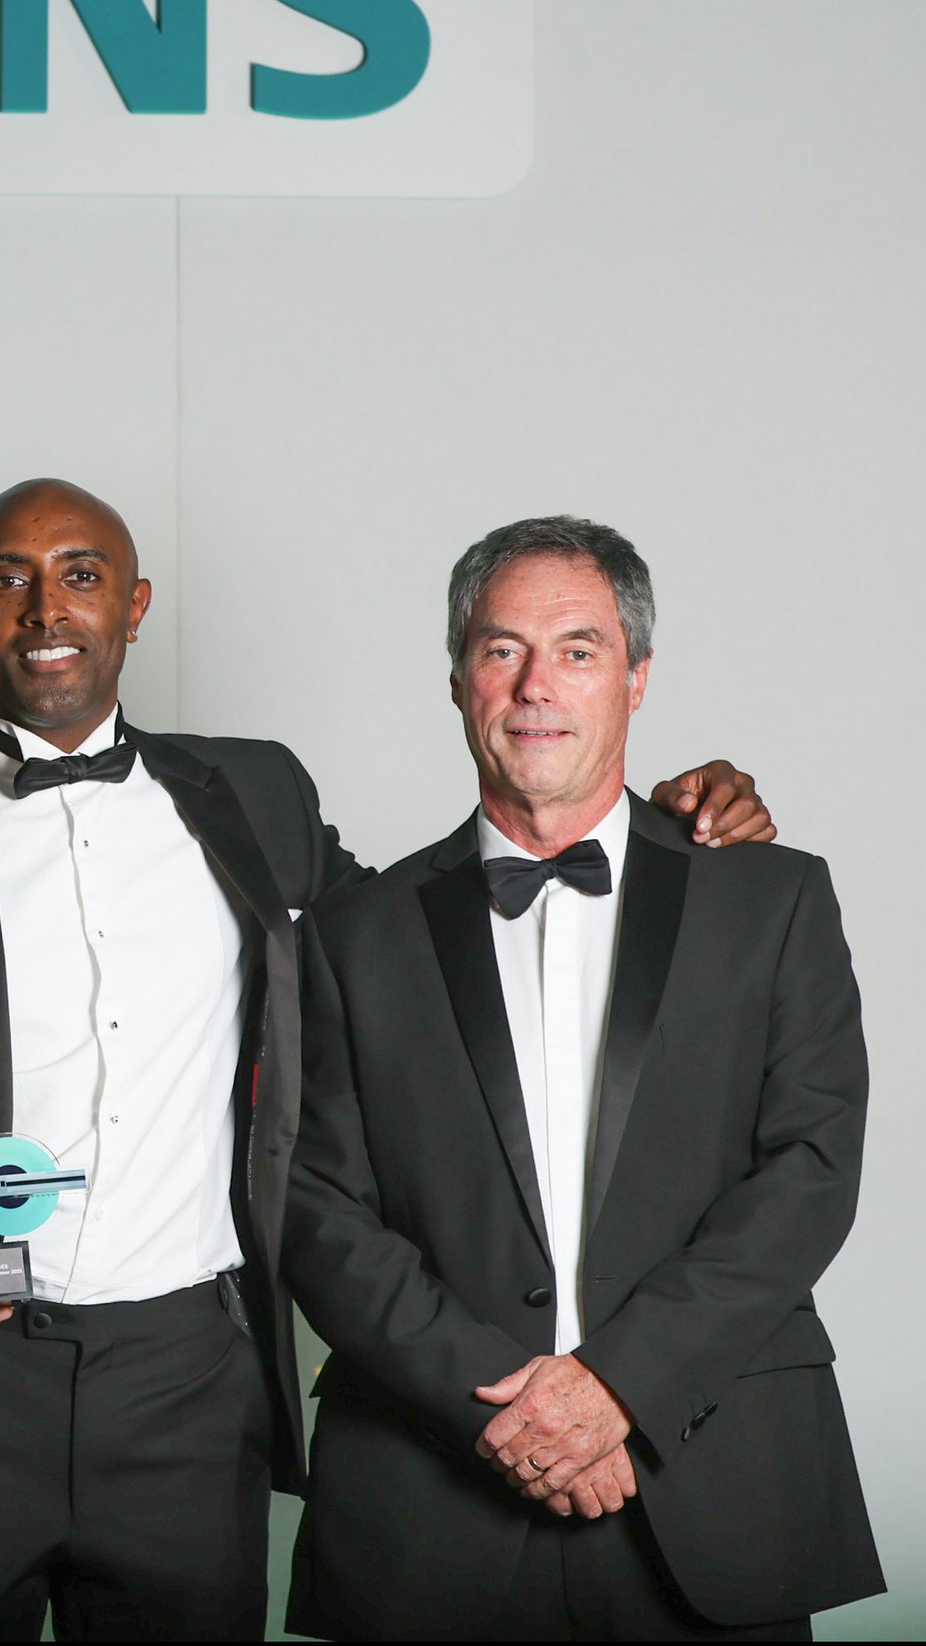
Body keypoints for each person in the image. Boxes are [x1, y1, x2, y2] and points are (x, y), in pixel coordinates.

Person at [0, 479, 774, 1641]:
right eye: (6, 578)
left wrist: (662, 823)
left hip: (187, 1386)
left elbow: (426, 938)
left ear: (134, 605)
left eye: (80, 574)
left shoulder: (257, 791)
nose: (45, 606)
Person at [281, 516, 881, 1642]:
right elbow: (314, 1206)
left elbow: (809, 1167)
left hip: (709, 1481)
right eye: (501, 648)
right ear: (459, 676)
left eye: (576, 647)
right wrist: (503, 1409)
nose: (534, 685)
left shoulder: (771, 898)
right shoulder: (352, 935)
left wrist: (616, 1387)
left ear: (637, 678)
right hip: (430, 1497)